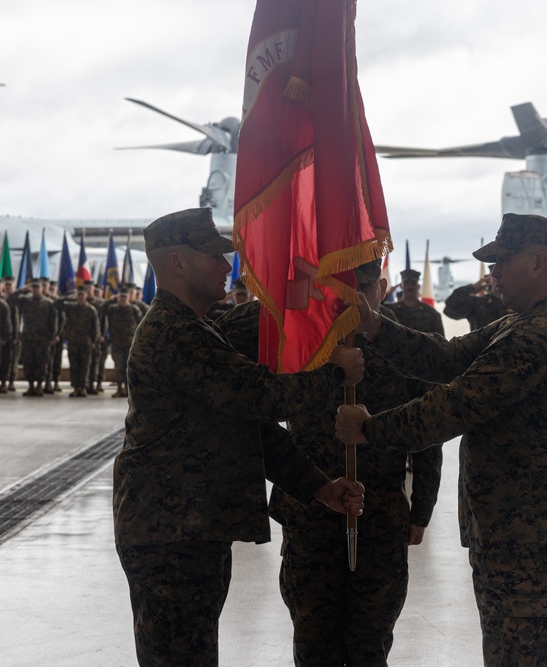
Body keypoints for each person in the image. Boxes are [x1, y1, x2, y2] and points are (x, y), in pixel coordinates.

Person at [337, 213, 547, 667]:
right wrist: (375, 325)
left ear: (539, 262)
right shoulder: (517, 324)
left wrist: (369, 429)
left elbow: (454, 406)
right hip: (512, 536)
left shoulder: (542, 336)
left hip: (533, 545)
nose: (492, 272)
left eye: (501, 261)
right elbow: (444, 359)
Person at [113, 208, 366, 667]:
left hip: (188, 530)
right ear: (177, 264)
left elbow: (250, 428)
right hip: (170, 535)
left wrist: (318, 487)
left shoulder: (197, 329)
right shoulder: (175, 334)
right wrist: (335, 374)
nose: (227, 266)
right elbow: (261, 397)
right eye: (213, 255)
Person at [219, 259, 444, 667]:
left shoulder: (404, 344)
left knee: (370, 640)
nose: (352, 299)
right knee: (313, 637)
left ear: (383, 286)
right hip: (310, 510)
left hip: (380, 512)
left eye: (362, 287)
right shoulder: (301, 341)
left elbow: (426, 434)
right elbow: (246, 381)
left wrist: (422, 509)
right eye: (339, 288)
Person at [18, 279, 59, 397]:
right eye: (34, 288)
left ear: (42, 288)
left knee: (42, 364)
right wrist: (23, 290)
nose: (35, 290)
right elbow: (11, 300)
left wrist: (52, 336)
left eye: (38, 287)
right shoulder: (26, 301)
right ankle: (31, 386)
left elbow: (53, 321)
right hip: (28, 338)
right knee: (28, 363)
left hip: (43, 339)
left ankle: (39, 386)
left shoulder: (49, 303)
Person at [61, 285, 100, 397]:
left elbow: (95, 327)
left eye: (82, 295)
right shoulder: (71, 308)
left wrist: (94, 341)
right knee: (74, 366)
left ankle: (83, 387)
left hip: (85, 342)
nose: (80, 297)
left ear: (86, 296)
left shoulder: (91, 310)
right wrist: (68, 297)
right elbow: (57, 305)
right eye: (79, 295)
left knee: (85, 366)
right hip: (73, 342)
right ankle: (75, 387)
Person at [385, 268, 444, 336]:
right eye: (407, 283)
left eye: (413, 283)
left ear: (418, 286)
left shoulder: (431, 313)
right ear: (401, 286)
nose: (410, 286)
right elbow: (373, 308)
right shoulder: (391, 310)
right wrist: (388, 294)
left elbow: (441, 342)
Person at [444, 274, 511, 331]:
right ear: (489, 280)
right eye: (495, 277)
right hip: (483, 346)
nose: (498, 280)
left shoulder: (516, 303)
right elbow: (449, 308)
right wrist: (473, 287)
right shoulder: (478, 302)